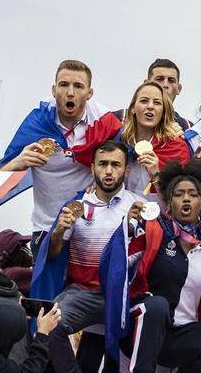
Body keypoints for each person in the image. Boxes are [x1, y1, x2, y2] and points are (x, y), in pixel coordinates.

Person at [100, 159, 201, 372]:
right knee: (157, 306)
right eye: (179, 194)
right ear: (169, 202)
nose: (186, 198)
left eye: (193, 195)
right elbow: (115, 267)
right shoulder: (153, 231)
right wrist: (128, 228)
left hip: (181, 335)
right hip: (141, 329)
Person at [32, 141, 146, 372]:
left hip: (125, 296)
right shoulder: (77, 206)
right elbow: (53, 256)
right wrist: (58, 231)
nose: (109, 171)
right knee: (49, 323)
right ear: (92, 168)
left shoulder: (140, 206)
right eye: (102, 164)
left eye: (115, 165)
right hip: (83, 293)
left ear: (126, 170)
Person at [0, 60, 120, 240]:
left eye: (78, 86)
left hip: (90, 228)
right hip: (46, 228)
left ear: (89, 93)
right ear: (54, 90)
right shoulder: (38, 122)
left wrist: (100, 178)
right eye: (64, 85)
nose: (70, 92)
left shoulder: (104, 122)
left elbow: (126, 162)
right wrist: (18, 162)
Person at [111, 82, 190, 195]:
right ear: (133, 108)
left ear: (163, 112)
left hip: (158, 206)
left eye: (157, 103)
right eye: (144, 101)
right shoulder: (119, 141)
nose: (150, 106)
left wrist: (156, 175)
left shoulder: (176, 147)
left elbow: (180, 198)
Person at [143, 58, 192, 130]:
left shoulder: (188, 128)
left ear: (179, 89)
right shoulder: (126, 121)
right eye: (159, 79)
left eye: (171, 80)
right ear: (146, 85)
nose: (165, 85)